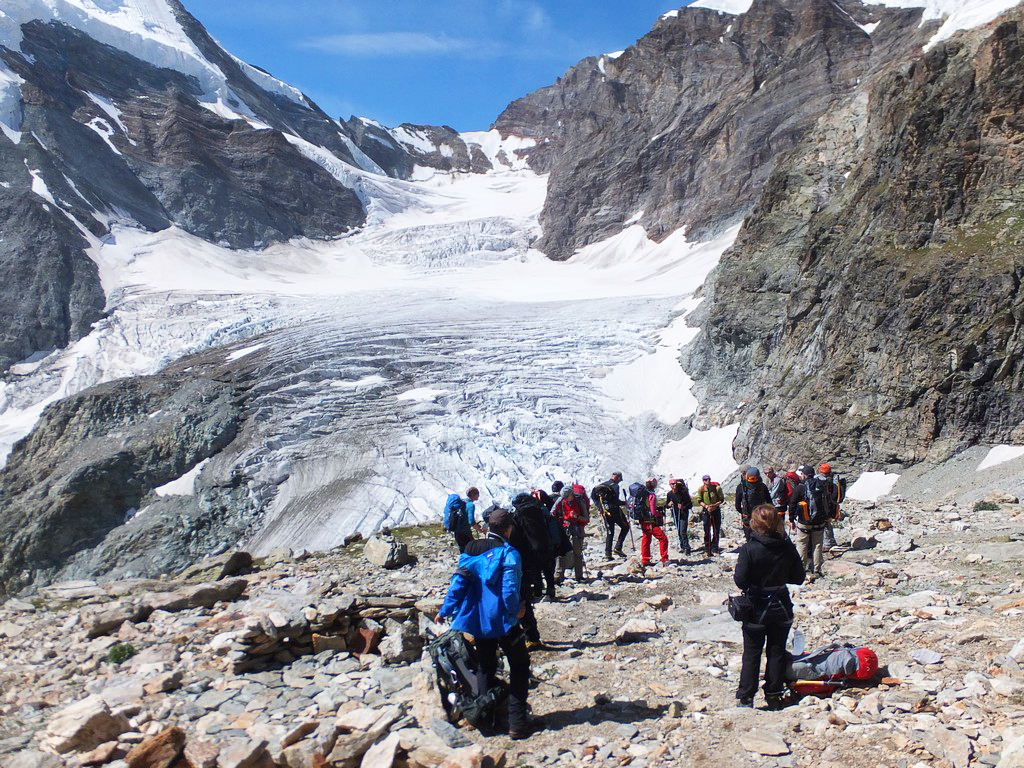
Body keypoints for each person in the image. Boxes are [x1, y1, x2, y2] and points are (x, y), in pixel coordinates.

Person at [437, 508, 544, 739]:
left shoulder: (471, 550)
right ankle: (517, 722)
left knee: (485, 666)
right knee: (519, 665)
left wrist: (445, 610)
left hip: (478, 622)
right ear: (508, 529)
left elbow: (458, 584)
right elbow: (509, 591)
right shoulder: (509, 554)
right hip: (504, 621)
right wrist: (517, 611)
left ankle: (487, 720)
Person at [734, 504, 806, 709]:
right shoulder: (786, 546)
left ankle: (746, 697)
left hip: (756, 606)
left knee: (752, 652)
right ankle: (774, 694)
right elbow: (799, 577)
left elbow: (740, 580)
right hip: (781, 604)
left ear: (754, 524)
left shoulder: (750, 548)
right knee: (776, 650)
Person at [506, 496, 553, 648]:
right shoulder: (538, 512)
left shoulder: (517, 518)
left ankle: (528, 636)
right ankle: (532, 636)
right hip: (538, 555)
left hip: (521, 561)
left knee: (520, 599)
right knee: (525, 597)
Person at [788, 464, 838, 580]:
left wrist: (791, 519)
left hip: (804, 522)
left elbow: (792, 504)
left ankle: (801, 569)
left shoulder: (800, 487)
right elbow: (829, 501)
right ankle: (816, 570)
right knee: (817, 545)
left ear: (804, 475)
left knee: (802, 544)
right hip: (819, 521)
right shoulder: (822, 485)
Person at [552, 486, 588, 583]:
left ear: (571, 494)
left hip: (577, 529)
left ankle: (579, 576)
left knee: (577, 553)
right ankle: (559, 576)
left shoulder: (580, 501)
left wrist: (577, 517)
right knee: (562, 552)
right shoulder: (562, 500)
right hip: (565, 528)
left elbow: (586, 518)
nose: (565, 499)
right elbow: (552, 512)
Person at [592, 471, 630, 559]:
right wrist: (625, 503)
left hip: (605, 512)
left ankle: (608, 554)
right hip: (615, 511)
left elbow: (594, 498)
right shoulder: (615, 486)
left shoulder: (601, 486)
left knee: (610, 532)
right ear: (618, 478)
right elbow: (616, 501)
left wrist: (600, 508)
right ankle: (618, 547)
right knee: (625, 527)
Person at [638, 477, 669, 567]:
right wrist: (659, 514)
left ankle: (645, 559)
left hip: (643, 520)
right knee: (663, 538)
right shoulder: (651, 495)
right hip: (650, 521)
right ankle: (664, 558)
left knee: (646, 538)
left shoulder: (642, 494)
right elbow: (652, 512)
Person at [735, 467, 772, 542]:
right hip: (761, 517)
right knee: (762, 538)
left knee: (749, 539)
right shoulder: (762, 486)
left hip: (747, 518)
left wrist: (743, 513)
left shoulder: (741, 487)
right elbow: (769, 502)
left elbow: (737, 505)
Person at [697, 474, 724, 557]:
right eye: (705, 480)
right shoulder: (701, 489)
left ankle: (715, 547)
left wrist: (714, 505)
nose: (707, 481)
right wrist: (706, 506)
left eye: (708, 479)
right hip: (706, 510)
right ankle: (707, 548)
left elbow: (721, 499)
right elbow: (699, 500)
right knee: (707, 530)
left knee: (716, 529)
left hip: (715, 510)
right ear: (703, 481)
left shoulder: (717, 488)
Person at [665, 478, 693, 555]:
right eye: (672, 484)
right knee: (679, 530)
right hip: (675, 514)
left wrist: (683, 506)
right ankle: (682, 546)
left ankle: (687, 548)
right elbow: (666, 505)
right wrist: (668, 504)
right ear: (670, 485)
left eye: (674, 484)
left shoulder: (683, 493)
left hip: (683, 513)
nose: (673, 485)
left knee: (682, 531)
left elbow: (690, 504)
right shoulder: (669, 494)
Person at [449, 487, 481, 553]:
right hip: (465, 532)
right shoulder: (470, 505)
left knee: (463, 550)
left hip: (457, 532)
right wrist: (479, 529)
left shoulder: (462, 503)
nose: (478, 495)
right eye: (477, 494)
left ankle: (463, 562)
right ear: (474, 495)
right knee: (471, 550)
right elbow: (471, 521)